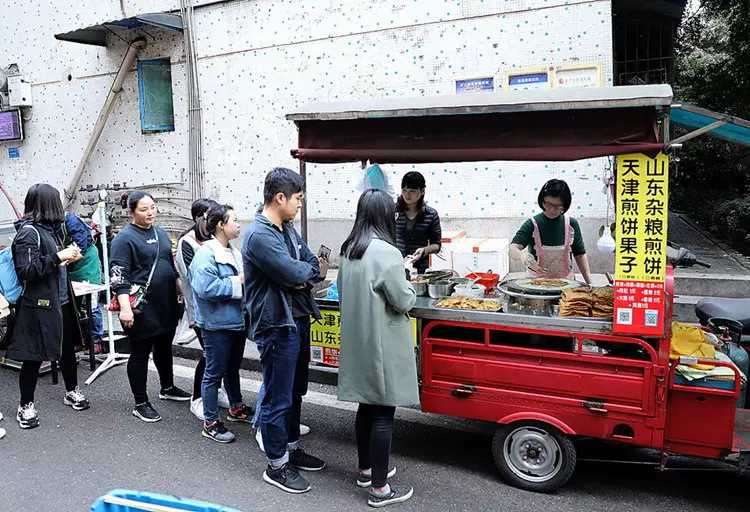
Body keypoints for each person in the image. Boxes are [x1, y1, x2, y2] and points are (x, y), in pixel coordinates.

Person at [243, 167, 327, 494]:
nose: (300, 205)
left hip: (297, 317)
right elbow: (294, 272)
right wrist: (305, 273)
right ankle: (276, 465)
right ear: (280, 198)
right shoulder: (259, 234)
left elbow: (311, 266)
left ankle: (292, 447)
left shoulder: (287, 227)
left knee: (295, 390)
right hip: (276, 323)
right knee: (278, 397)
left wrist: (306, 273)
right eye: (298, 199)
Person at [337, 188, 417, 507]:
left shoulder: (349, 249)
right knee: (384, 412)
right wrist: (409, 281)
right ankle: (380, 489)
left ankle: (367, 470)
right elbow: (403, 299)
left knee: (366, 406)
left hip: (358, 340)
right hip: (383, 342)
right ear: (385, 216)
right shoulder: (387, 252)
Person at [7, 183, 90, 429]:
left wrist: (65, 258)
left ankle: (71, 390)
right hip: (38, 304)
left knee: (66, 349)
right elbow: (26, 271)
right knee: (33, 356)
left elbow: (48, 265)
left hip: (61, 300)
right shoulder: (28, 232)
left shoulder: (51, 230)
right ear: (49, 204)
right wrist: (58, 257)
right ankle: (25, 405)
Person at [110, 191, 191, 423]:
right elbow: (118, 277)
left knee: (164, 347)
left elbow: (170, 267)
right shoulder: (123, 239)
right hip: (141, 308)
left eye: (153, 208)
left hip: (165, 304)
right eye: (144, 209)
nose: (150, 213)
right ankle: (140, 402)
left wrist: (182, 293)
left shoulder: (161, 233)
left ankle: (167, 387)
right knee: (140, 353)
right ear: (131, 212)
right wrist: (125, 308)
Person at [189, 204, 253, 443]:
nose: (238, 225)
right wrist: (237, 282)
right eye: (234, 220)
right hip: (216, 324)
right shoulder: (206, 253)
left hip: (236, 321)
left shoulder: (233, 251)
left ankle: (236, 407)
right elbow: (204, 288)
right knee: (213, 372)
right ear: (220, 225)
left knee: (232, 367)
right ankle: (210, 421)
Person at [175, 198, 230, 420]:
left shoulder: (215, 239)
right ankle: (197, 398)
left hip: (220, 307)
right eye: (211, 216)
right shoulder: (187, 243)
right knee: (210, 354)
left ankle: (215, 390)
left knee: (221, 353)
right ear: (199, 217)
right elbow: (199, 278)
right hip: (200, 311)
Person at [510, 179, 592, 285]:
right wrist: (522, 256)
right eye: (548, 204)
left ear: (565, 205)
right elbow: (512, 248)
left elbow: (580, 254)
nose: (552, 210)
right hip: (537, 284)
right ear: (542, 200)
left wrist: (589, 284)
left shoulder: (571, 224)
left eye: (557, 206)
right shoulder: (532, 224)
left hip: (566, 283)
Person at [65, 211, 104, 353]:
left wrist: (63, 257)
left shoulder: (69, 219)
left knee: (92, 306)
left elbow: (81, 243)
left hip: (88, 265)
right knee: (74, 308)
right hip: (72, 268)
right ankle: (80, 340)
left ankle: (96, 341)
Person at [395, 171, 441, 274]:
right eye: (404, 190)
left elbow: (437, 245)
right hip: (395, 267)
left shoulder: (431, 214)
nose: (407, 195)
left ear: (422, 191)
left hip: (420, 270)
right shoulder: (392, 210)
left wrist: (424, 250)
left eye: (412, 191)